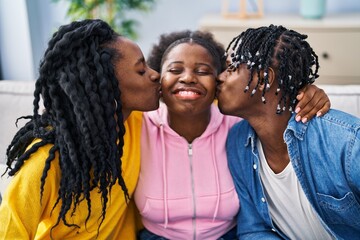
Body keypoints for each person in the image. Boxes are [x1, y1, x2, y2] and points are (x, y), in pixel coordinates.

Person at [134, 30, 331, 240]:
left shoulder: (239, 126)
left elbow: (272, 107)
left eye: (202, 71)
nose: (188, 78)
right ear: (159, 79)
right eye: (175, 69)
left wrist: (305, 93)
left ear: (218, 82)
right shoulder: (138, 125)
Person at [0, 19, 160, 239]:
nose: (155, 75)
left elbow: (200, 100)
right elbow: (9, 230)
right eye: (141, 70)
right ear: (105, 87)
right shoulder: (46, 159)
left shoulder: (136, 122)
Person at [217, 25, 360, 239]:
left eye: (231, 68)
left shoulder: (346, 143)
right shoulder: (238, 142)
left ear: (264, 79)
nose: (220, 77)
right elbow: (254, 229)